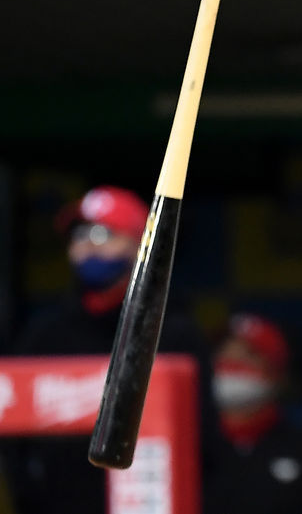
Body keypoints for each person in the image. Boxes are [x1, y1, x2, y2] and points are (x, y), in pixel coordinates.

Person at [6, 185, 216, 514]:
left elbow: (205, 438)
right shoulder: (45, 335)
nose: (88, 245)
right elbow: (16, 439)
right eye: (80, 234)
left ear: (139, 244)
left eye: (104, 234)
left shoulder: (173, 332)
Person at [205, 312, 302, 514]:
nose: (231, 364)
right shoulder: (191, 445)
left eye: (248, 355)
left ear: (279, 372)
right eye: (224, 354)